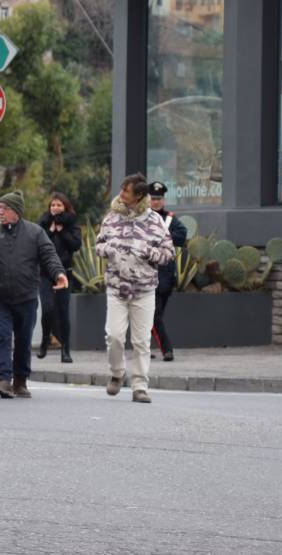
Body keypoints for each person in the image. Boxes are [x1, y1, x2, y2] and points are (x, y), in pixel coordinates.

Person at [95, 173, 175, 404]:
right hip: (116, 288)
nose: (121, 194)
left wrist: (149, 252)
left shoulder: (155, 222)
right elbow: (98, 246)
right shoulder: (111, 218)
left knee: (141, 341)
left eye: (126, 191)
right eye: (122, 189)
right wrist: (109, 249)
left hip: (144, 289)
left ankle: (140, 386)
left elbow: (168, 254)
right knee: (115, 336)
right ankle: (117, 373)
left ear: (138, 196)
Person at [0, 191, 68, 399]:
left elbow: (49, 255)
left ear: (16, 212)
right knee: (2, 337)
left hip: (26, 297)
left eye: (5, 209)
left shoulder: (35, 232)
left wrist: (59, 274)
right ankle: (2, 379)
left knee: (23, 339)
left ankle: (20, 380)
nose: (0, 212)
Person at [36, 192, 82, 363]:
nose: (55, 208)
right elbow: (37, 243)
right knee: (47, 309)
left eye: (59, 205)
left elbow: (76, 245)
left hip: (65, 273)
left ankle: (65, 349)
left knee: (63, 312)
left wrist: (62, 233)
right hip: (45, 274)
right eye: (53, 205)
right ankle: (45, 340)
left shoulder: (72, 223)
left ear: (65, 207)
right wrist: (50, 231)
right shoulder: (43, 223)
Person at [148, 182, 187, 362]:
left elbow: (181, 236)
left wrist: (164, 237)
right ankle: (167, 349)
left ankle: (144, 348)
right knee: (153, 315)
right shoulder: (142, 218)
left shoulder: (170, 219)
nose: (156, 202)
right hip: (147, 274)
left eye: (159, 199)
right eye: (153, 198)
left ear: (163, 200)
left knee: (156, 315)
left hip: (166, 274)